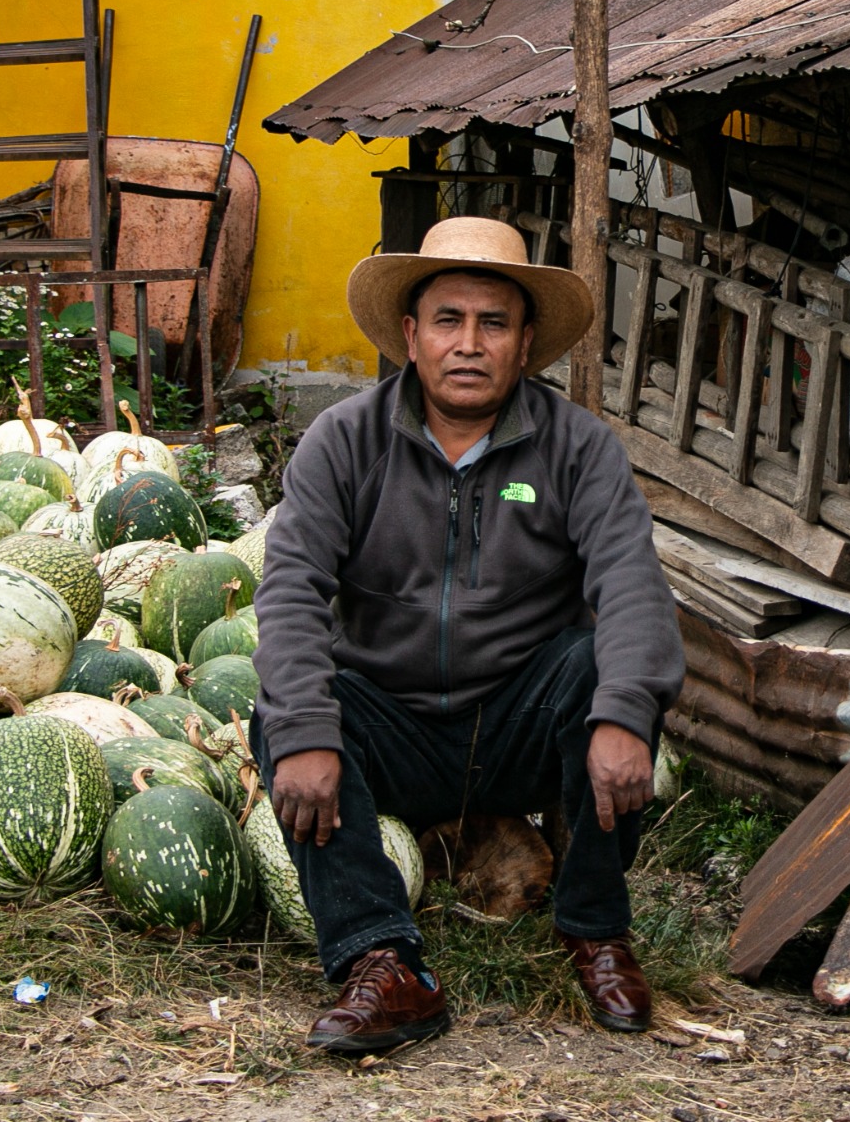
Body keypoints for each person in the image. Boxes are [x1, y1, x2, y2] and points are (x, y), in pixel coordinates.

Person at [252, 215, 684, 1055]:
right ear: (410, 336)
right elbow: (292, 589)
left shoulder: (579, 450)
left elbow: (631, 584)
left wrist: (626, 713)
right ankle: (384, 960)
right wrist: (306, 732)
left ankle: (595, 930)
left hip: (515, 723)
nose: (470, 342)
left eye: (494, 322)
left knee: (602, 667)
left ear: (525, 345)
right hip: (394, 730)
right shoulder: (343, 442)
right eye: (448, 319)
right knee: (289, 712)